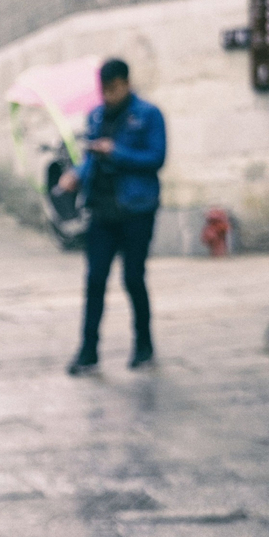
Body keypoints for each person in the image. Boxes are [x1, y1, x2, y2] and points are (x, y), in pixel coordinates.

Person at [57, 58, 165, 374]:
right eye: (103, 90)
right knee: (94, 280)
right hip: (102, 208)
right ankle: (88, 350)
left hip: (137, 208)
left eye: (113, 89)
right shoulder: (95, 115)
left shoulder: (148, 115)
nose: (108, 96)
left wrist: (115, 151)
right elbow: (90, 159)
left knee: (133, 277)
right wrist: (76, 175)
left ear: (126, 84)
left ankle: (143, 345)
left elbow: (156, 157)